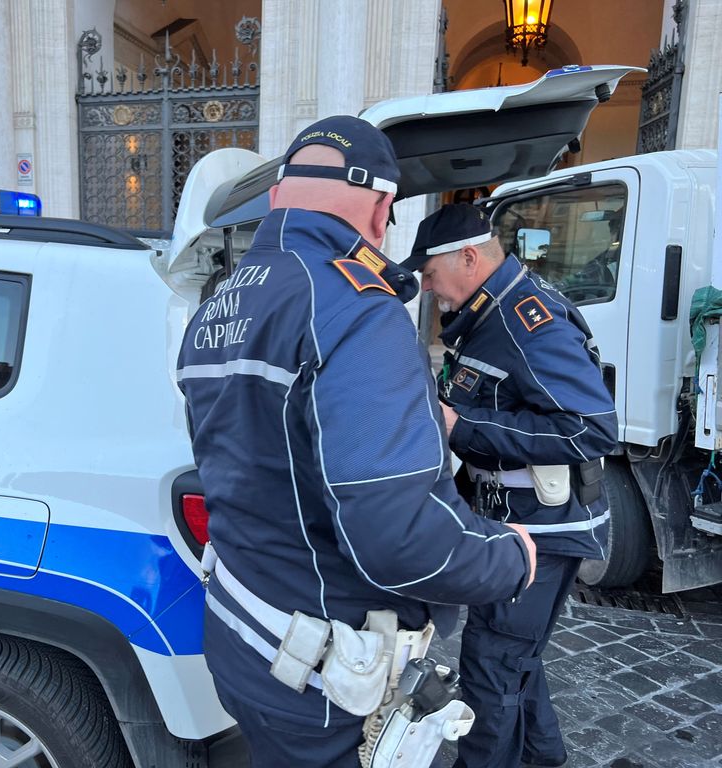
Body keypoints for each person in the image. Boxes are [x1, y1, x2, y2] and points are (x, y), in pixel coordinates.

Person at [175, 116, 538, 768]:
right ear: (379, 210)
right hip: (323, 688)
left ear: (278, 197)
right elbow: (397, 537)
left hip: (241, 643)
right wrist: (509, 554)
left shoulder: (216, 308)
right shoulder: (356, 308)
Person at [402, 203, 619, 768]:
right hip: (511, 518)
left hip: (544, 526)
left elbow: (591, 427)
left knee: (492, 663)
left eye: (430, 273)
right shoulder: (488, 315)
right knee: (515, 656)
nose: (428, 287)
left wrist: (460, 426)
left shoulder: (526, 321)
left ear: (469, 258)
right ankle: (543, 756)